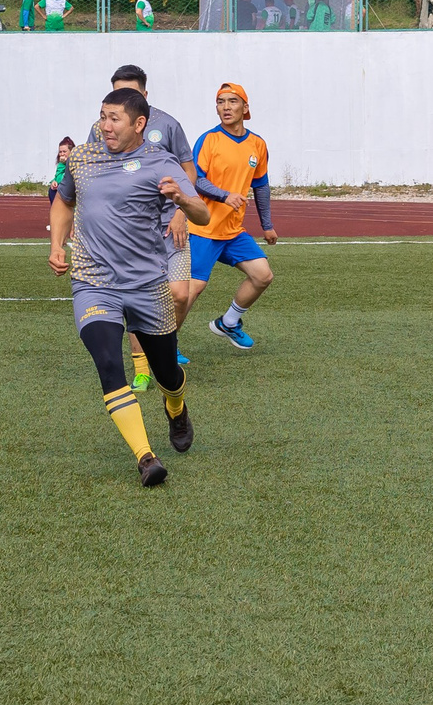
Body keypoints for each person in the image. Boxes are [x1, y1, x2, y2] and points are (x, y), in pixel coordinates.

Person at [49, 86, 214, 485]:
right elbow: (63, 202)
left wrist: (182, 199)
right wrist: (56, 244)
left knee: (167, 372)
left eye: (114, 119)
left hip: (147, 285)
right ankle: (145, 457)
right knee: (108, 363)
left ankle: (176, 409)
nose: (104, 125)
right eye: (102, 116)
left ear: (139, 124)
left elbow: (203, 214)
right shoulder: (82, 159)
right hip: (94, 282)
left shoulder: (162, 163)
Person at [96, 64, 195, 391]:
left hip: (170, 226)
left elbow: (188, 169)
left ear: (145, 96)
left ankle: (163, 346)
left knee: (180, 294)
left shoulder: (167, 125)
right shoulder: (103, 129)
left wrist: (182, 208)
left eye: (132, 94)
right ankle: (142, 368)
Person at [188, 82, 279, 350]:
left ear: (245, 107)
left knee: (262, 276)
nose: (225, 107)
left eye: (232, 101)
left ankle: (228, 322)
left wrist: (268, 225)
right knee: (190, 292)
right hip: (203, 228)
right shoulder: (208, 140)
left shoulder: (257, 144)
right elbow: (195, 180)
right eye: (220, 102)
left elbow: (260, 185)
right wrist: (224, 195)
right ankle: (164, 346)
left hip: (232, 230)